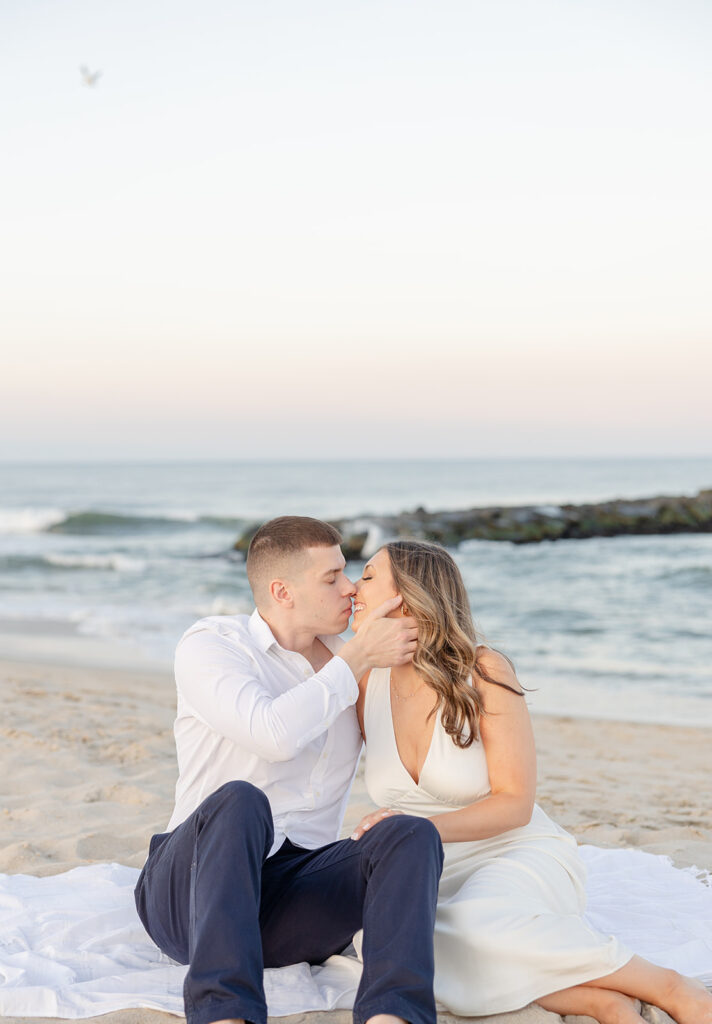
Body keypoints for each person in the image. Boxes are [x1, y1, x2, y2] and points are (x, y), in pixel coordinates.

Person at [350, 540, 712, 1024]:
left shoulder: (483, 670)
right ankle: (597, 1000)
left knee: (478, 928)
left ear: (411, 595)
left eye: (369, 577)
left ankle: (671, 987)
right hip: (424, 869)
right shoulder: (362, 681)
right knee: (384, 940)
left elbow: (515, 804)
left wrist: (412, 829)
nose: (354, 587)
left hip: (511, 851)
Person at [134, 517, 444, 1024]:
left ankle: (394, 1015)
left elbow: (413, 757)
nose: (349, 588)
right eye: (332, 578)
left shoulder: (354, 667)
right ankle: (225, 1013)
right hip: (190, 893)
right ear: (283, 591)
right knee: (241, 799)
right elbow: (271, 733)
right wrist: (360, 659)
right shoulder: (213, 645)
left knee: (409, 835)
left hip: (291, 900)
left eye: (349, 574)